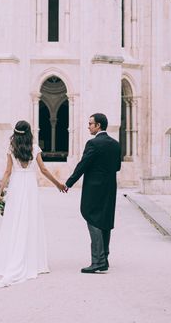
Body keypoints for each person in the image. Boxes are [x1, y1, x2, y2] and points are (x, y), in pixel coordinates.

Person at [0, 120, 67, 288]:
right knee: (30, 219)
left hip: (17, 185)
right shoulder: (35, 147)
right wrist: (58, 184)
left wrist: (0, 192)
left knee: (14, 219)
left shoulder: (11, 149)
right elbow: (44, 170)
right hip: (30, 186)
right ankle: (33, 260)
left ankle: (10, 257)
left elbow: (7, 172)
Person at [65, 113, 121, 273]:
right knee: (105, 220)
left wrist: (69, 183)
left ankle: (98, 261)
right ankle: (105, 258)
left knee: (93, 218)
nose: (88, 126)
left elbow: (83, 165)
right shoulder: (116, 144)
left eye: (90, 124)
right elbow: (117, 167)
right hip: (110, 187)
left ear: (98, 126)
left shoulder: (93, 143)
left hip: (94, 188)